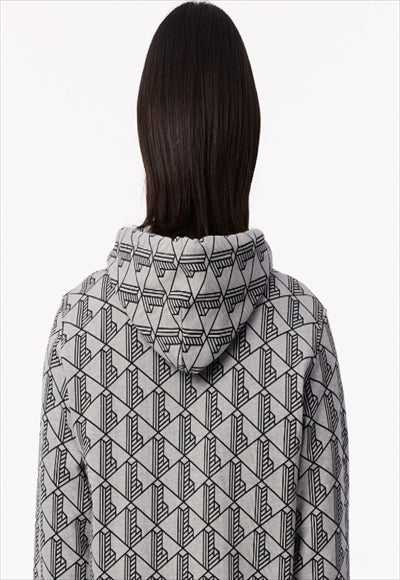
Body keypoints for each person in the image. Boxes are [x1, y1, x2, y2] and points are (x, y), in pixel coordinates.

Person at [33, 2, 350, 579]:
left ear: (151, 134)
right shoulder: (301, 330)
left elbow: (57, 563)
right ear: (246, 138)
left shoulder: (81, 327)